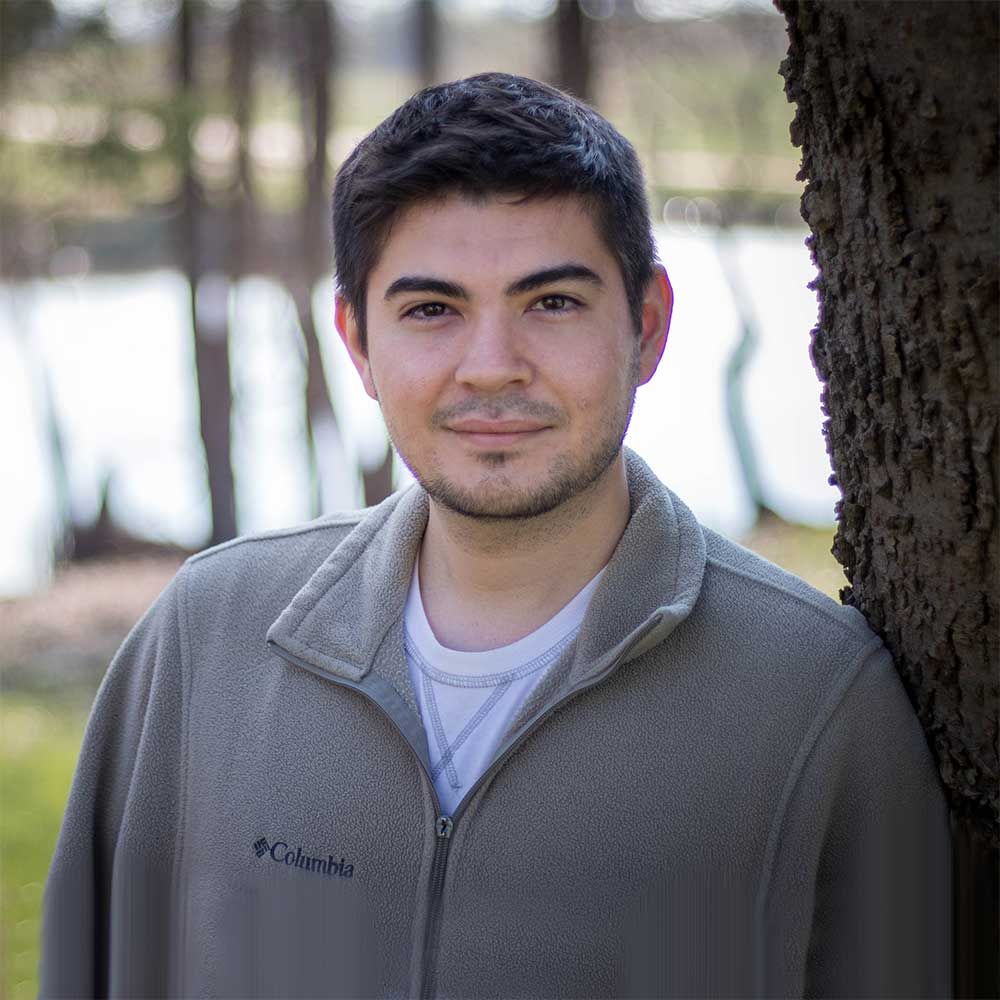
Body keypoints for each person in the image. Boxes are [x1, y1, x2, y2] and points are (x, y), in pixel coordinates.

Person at [40, 72, 950, 998]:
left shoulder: (818, 701)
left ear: (646, 326)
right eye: (432, 310)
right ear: (358, 342)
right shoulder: (206, 640)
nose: (490, 367)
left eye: (551, 302)